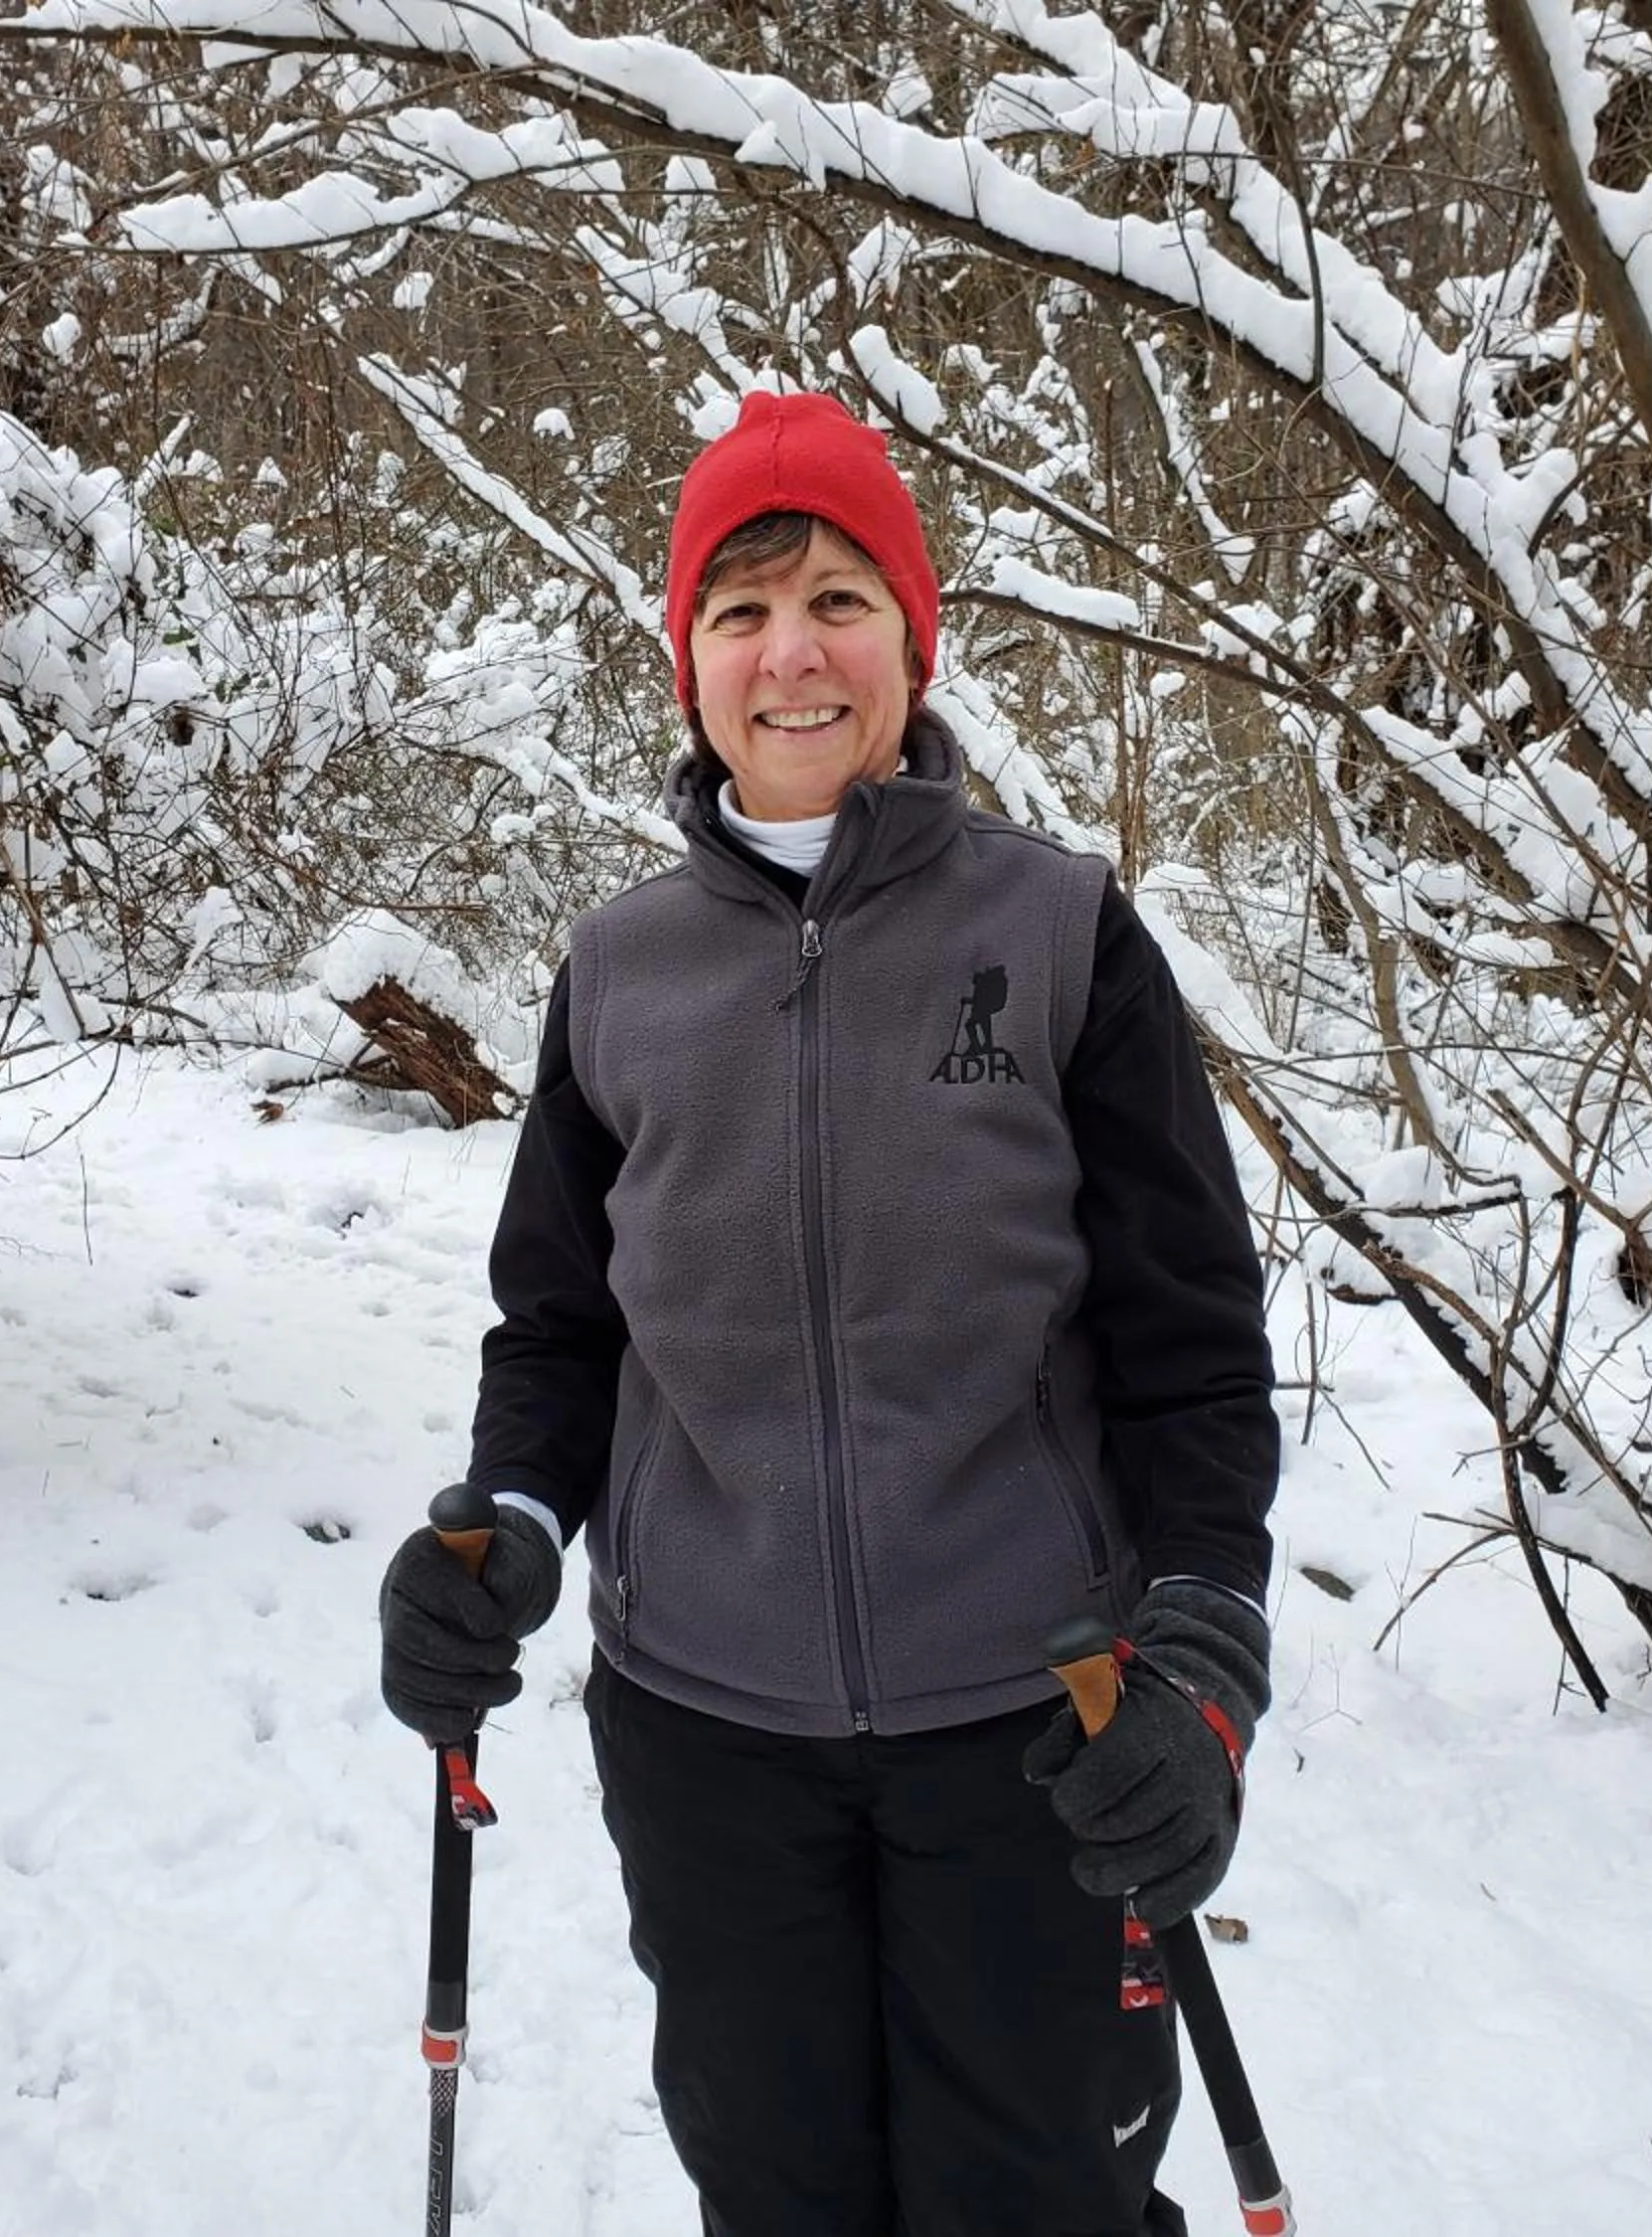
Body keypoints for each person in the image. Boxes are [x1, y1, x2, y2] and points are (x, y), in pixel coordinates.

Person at [378, 390, 1278, 2237]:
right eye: (740, 607)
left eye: (838, 596)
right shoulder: (617, 973)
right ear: (689, 663)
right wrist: (507, 1532)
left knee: (1040, 2210)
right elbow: (560, 1329)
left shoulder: (1061, 935)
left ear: (912, 637)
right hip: (710, 1744)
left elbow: (1193, 1343)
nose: (791, 650)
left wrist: (1202, 1656)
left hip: (1041, 1727)